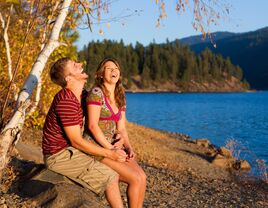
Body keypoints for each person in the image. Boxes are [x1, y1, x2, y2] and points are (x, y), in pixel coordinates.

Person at [42, 57, 127, 208]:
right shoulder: (66, 100)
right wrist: (110, 152)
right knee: (110, 177)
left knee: (112, 170)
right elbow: (76, 141)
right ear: (69, 78)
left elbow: (103, 118)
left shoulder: (82, 95)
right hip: (58, 155)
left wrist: (119, 135)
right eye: (75, 66)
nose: (80, 64)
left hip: (69, 149)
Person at [85, 58, 146, 208]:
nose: (114, 71)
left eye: (116, 68)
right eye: (108, 68)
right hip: (97, 148)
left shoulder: (120, 95)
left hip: (114, 146)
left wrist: (129, 147)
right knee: (135, 179)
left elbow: (121, 128)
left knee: (142, 177)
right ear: (100, 74)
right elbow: (92, 126)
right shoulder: (96, 93)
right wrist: (111, 149)